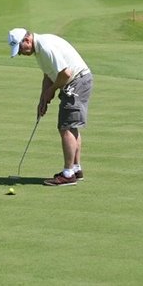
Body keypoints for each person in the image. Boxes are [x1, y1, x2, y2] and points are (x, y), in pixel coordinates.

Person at [9, 28, 93, 186]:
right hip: (76, 81)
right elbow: (49, 74)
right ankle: (76, 169)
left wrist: (52, 90)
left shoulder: (46, 47)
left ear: (27, 40)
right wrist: (43, 98)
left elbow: (66, 74)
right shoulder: (39, 49)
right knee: (71, 126)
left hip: (78, 81)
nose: (20, 53)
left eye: (20, 49)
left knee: (66, 127)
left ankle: (68, 174)